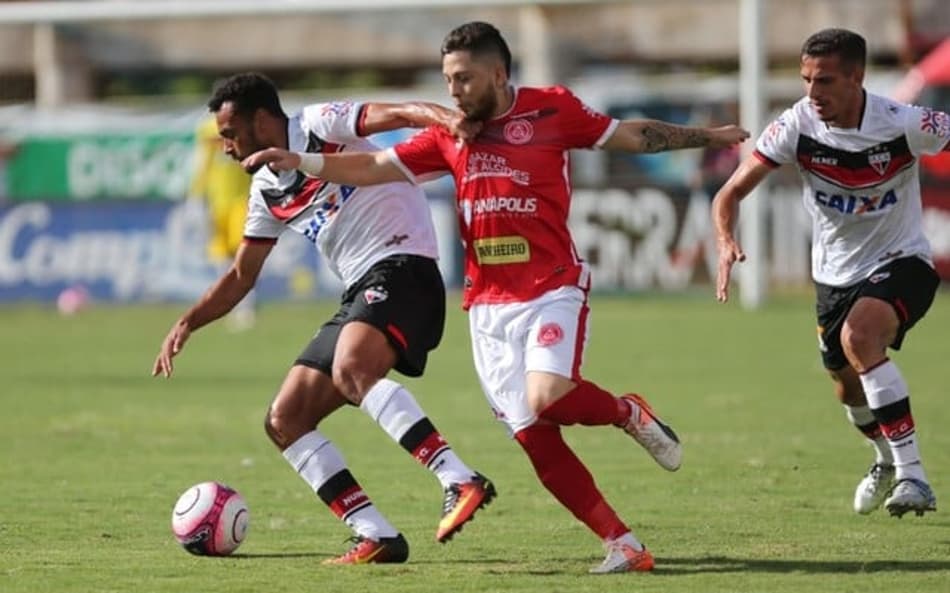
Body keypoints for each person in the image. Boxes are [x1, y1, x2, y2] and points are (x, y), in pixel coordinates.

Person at [243, 22, 749, 573]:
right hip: (487, 308)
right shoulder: (449, 135)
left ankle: (627, 412)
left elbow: (632, 135)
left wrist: (708, 137)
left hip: (552, 286)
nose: (454, 91)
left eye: (463, 78)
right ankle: (623, 544)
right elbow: (371, 167)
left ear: (499, 73)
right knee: (533, 435)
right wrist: (304, 163)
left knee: (547, 396)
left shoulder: (551, 110)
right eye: (447, 80)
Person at [152, 72, 496, 565]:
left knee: (353, 369)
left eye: (231, 134)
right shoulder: (266, 190)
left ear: (264, 121)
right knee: (285, 418)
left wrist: (451, 120)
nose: (225, 147)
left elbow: (397, 112)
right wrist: (187, 323)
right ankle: (375, 533)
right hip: (360, 289)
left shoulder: (319, 125)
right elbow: (241, 276)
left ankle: (457, 477)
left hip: (404, 267)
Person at [712, 29, 948, 518]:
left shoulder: (903, 122)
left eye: (824, 81)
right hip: (834, 277)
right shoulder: (796, 126)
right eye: (806, 80)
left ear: (857, 77)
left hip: (902, 261)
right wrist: (725, 239)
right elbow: (729, 194)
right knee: (847, 383)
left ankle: (914, 476)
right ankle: (884, 459)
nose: (812, 93)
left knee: (860, 339)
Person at [188, 114, 256, 330]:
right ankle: (226, 304)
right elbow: (202, 167)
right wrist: (196, 198)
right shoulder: (208, 131)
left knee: (242, 253)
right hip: (217, 203)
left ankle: (246, 306)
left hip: (241, 200)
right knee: (222, 255)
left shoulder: (244, 129)